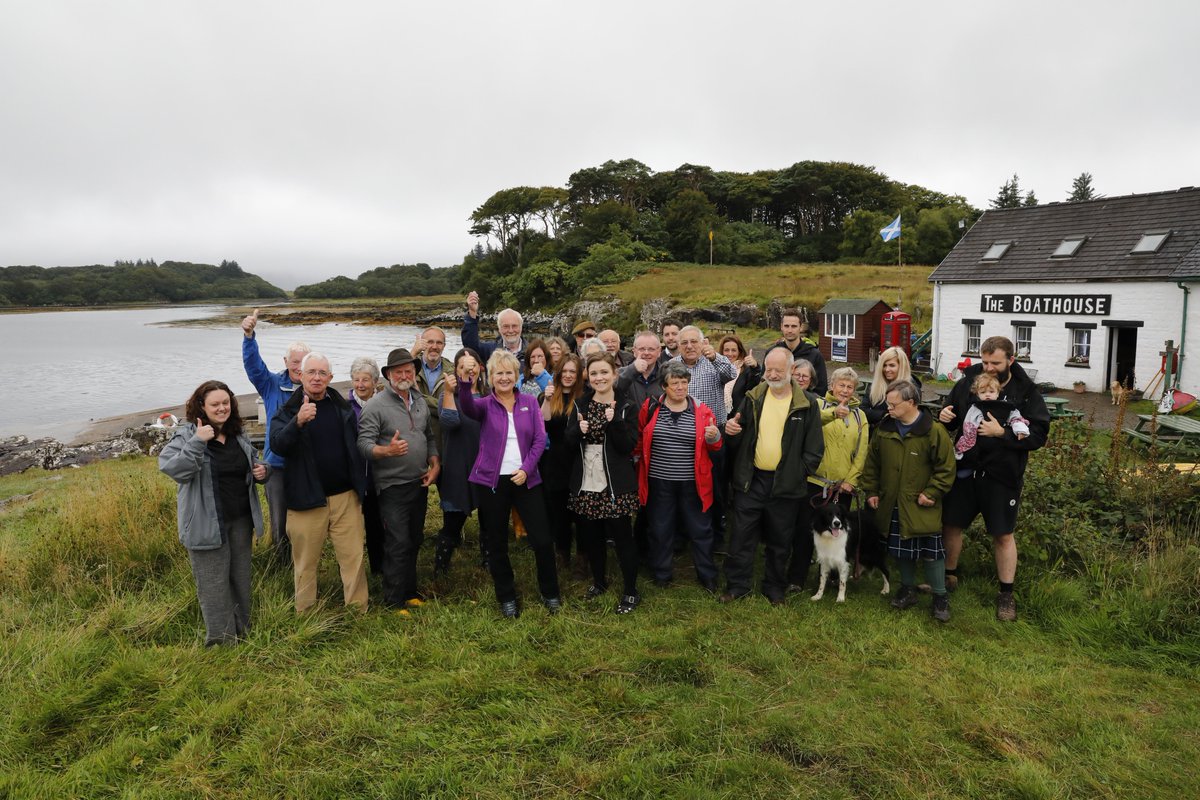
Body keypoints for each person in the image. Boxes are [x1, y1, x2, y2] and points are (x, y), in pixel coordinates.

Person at [938, 336, 1049, 621]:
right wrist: (945, 415)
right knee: (951, 524)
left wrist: (1003, 434)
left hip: (1002, 474)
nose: (987, 367)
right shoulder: (969, 380)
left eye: (995, 363)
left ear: (1011, 360)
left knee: (1003, 534)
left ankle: (1006, 594)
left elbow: (1038, 435)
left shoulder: (1026, 391)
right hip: (965, 471)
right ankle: (948, 577)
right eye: (984, 361)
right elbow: (951, 416)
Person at [159, 380, 269, 645]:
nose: (222, 409)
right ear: (201, 406)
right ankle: (221, 642)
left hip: (240, 520)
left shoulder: (237, 433)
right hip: (205, 523)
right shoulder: (187, 435)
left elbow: (252, 462)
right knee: (213, 586)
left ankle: (242, 630)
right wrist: (198, 441)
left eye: (225, 403)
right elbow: (173, 469)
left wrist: (263, 471)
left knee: (240, 578)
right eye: (215, 404)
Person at [456, 350, 562, 618]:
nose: (504, 377)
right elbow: (466, 406)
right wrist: (466, 381)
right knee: (496, 543)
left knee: (542, 539)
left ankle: (550, 592)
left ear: (516, 376)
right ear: (490, 377)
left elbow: (540, 440)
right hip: (492, 482)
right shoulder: (483, 404)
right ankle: (507, 597)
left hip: (526, 479)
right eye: (498, 373)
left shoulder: (529, 402)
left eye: (509, 373)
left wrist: (527, 469)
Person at [719, 347, 824, 605]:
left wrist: (798, 473)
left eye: (779, 369)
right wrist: (731, 430)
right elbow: (737, 436)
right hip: (751, 480)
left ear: (791, 371)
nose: (773, 374)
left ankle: (775, 588)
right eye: (769, 369)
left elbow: (814, 449)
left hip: (786, 484)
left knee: (780, 540)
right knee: (742, 537)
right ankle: (737, 586)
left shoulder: (806, 403)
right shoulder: (753, 397)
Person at [270, 353, 369, 613]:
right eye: (311, 372)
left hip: (345, 496)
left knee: (353, 557)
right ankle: (305, 613)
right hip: (306, 499)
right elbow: (277, 445)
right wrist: (298, 421)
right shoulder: (288, 410)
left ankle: (358, 610)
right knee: (304, 563)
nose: (316, 377)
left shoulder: (342, 407)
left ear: (330, 378)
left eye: (322, 373)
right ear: (300, 376)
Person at [861, 380, 956, 622]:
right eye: (887, 404)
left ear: (911, 402)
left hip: (922, 504)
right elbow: (872, 463)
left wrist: (932, 493)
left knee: (932, 552)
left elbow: (946, 468)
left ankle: (940, 597)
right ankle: (907, 589)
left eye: (893, 404)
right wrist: (871, 491)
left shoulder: (934, 431)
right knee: (901, 550)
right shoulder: (885, 429)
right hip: (891, 501)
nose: (888, 408)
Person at [357, 348, 441, 611]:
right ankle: (393, 600)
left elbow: (428, 436)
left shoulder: (418, 401)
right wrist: (386, 450)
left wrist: (435, 462)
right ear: (389, 375)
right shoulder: (375, 405)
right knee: (397, 541)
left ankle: (410, 591)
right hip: (391, 486)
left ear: (414, 373)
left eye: (408, 371)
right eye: (398, 371)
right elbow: (363, 444)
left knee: (415, 538)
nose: (404, 375)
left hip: (419, 482)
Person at [566, 353, 642, 613]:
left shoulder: (627, 406)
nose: (599, 378)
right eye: (594, 373)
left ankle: (631, 591)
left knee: (623, 538)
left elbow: (628, 446)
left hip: (615, 482)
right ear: (588, 376)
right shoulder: (580, 404)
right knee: (591, 536)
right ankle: (599, 582)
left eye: (604, 372)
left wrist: (615, 422)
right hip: (587, 478)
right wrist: (579, 430)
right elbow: (567, 442)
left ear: (614, 374)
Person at [636, 362, 722, 591]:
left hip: (693, 482)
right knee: (660, 528)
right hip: (659, 480)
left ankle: (707, 575)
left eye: (684, 382)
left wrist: (714, 437)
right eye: (675, 383)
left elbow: (716, 445)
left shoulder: (702, 410)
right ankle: (662, 573)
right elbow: (640, 437)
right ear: (664, 386)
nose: (681, 387)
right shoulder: (651, 406)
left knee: (700, 529)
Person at [790, 366, 869, 593]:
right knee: (806, 531)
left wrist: (851, 481)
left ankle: (832, 578)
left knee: (836, 534)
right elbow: (810, 424)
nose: (845, 390)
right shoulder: (818, 405)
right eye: (841, 385)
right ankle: (797, 577)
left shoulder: (859, 415)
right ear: (832, 386)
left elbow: (862, 451)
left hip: (841, 486)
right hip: (815, 482)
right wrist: (833, 414)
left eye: (850, 387)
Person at [240, 308, 309, 566]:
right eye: (294, 361)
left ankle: (305, 563)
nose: (299, 366)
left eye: (304, 361)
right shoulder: (270, 384)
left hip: (306, 466)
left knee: (306, 519)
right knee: (279, 522)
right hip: (276, 466)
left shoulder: (314, 388)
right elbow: (254, 368)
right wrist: (249, 337)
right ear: (285, 361)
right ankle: (282, 567)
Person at [434, 348, 486, 575]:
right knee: (453, 521)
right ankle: (440, 567)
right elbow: (449, 423)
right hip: (457, 463)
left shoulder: (488, 395)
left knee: (489, 520)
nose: (469, 370)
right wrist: (448, 392)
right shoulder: (447, 396)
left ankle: (489, 560)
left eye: (473, 365)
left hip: (485, 464)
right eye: (463, 366)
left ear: (480, 368)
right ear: (455, 370)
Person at [540, 354, 585, 570]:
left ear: (578, 375)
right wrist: (547, 399)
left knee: (581, 510)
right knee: (558, 511)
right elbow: (543, 424)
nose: (567, 376)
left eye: (572, 372)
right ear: (558, 374)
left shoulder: (585, 396)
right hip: (556, 459)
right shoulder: (550, 395)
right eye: (564, 371)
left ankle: (582, 555)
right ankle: (562, 553)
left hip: (580, 459)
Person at [348, 356, 386, 577]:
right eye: (356, 379)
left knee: (377, 524)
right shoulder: (345, 408)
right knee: (352, 528)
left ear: (375, 382)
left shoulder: (383, 404)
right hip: (354, 477)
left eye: (365, 380)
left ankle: (378, 569)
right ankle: (355, 571)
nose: (360, 385)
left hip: (378, 475)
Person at [954, 373, 1031, 463]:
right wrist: (967, 440)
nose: (987, 395)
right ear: (977, 394)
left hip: (1000, 446)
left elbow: (1015, 417)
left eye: (991, 392)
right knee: (974, 454)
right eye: (983, 392)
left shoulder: (1005, 406)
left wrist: (1020, 429)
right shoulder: (976, 407)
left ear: (998, 393)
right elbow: (968, 424)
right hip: (980, 443)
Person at [463, 291, 528, 374]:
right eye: (506, 326)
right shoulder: (490, 351)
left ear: (521, 327)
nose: (511, 330)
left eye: (514, 326)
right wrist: (472, 313)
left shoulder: (532, 352)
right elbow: (470, 346)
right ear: (499, 329)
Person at [864, 346, 923, 429]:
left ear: (901, 366)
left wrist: (876, 414)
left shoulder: (912, 389)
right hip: (877, 435)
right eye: (884, 365)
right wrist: (883, 415)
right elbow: (863, 411)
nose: (887, 369)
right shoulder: (874, 386)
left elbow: (911, 415)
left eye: (892, 365)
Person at [413, 326, 453, 443]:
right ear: (421, 344)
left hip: (442, 439)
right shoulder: (410, 368)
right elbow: (393, 390)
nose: (434, 347)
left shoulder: (453, 372)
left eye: (439, 343)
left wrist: (418, 397)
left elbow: (449, 410)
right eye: (430, 342)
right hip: (414, 439)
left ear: (444, 346)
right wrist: (413, 352)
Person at [779, 309, 827, 396]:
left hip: (806, 406)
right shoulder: (773, 353)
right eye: (786, 326)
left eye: (794, 326)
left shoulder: (814, 355)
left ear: (801, 327)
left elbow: (821, 390)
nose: (790, 330)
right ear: (781, 327)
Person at [617, 331, 666, 412]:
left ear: (659, 352)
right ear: (634, 351)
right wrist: (633, 370)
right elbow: (615, 390)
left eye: (651, 349)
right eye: (642, 349)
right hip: (630, 423)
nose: (646, 353)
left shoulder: (666, 375)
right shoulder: (621, 373)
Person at [718, 335, 753, 416]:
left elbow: (754, 385)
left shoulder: (746, 371)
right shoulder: (715, 369)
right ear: (721, 352)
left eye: (734, 350)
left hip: (738, 420)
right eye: (726, 350)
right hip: (718, 419)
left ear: (739, 352)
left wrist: (755, 367)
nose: (730, 354)